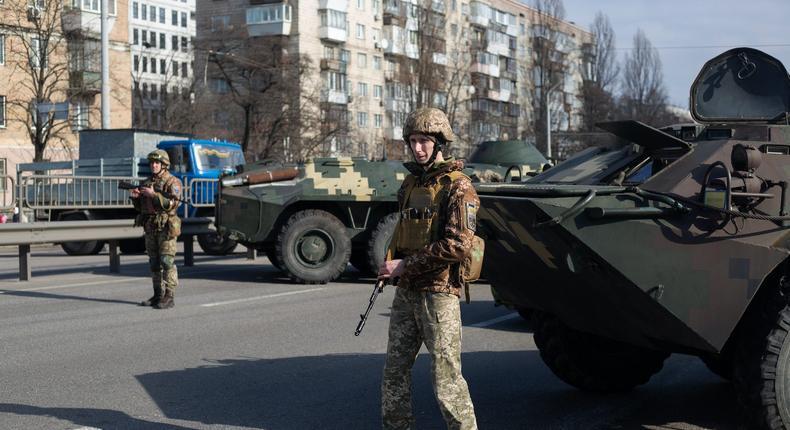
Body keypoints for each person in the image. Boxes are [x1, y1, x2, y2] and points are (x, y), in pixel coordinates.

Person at [378, 107, 479, 430]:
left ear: (439, 143)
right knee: (394, 370)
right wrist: (392, 262)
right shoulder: (409, 184)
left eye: (424, 141)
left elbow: (459, 244)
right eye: (412, 141)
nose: (417, 148)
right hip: (407, 291)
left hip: (439, 294)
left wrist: (406, 264)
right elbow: (403, 228)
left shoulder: (458, 187)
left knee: (446, 379)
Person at [130, 149, 182, 309]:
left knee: (167, 261)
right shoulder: (146, 183)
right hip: (150, 226)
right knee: (154, 263)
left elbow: (173, 203)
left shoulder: (172, 182)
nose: (153, 165)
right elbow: (142, 208)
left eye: (157, 163)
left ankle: (169, 296)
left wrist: (154, 195)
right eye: (152, 163)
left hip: (166, 227)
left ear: (164, 165)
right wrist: (135, 198)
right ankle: (157, 294)